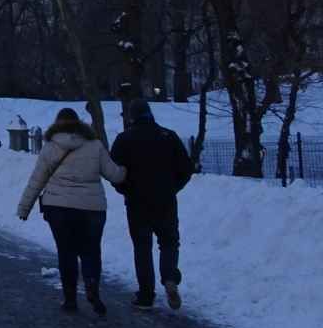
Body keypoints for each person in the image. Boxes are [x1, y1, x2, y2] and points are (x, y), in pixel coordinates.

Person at [17, 108, 126, 315]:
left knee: (66, 252)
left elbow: (36, 180)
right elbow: (114, 175)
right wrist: (126, 170)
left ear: (58, 124)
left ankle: (70, 300)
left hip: (58, 209)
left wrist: (24, 207)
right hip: (92, 209)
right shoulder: (95, 145)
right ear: (79, 124)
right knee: (91, 250)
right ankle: (92, 285)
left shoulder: (50, 146)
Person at [110, 99, 194, 310]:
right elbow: (186, 168)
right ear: (150, 114)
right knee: (169, 242)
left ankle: (146, 295)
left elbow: (114, 173)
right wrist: (172, 188)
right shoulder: (168, 136)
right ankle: (169, 278)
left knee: (142, 247)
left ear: (131, 117)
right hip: (165, 200)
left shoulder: (124, 139)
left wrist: (126, 190)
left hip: (137, 202)